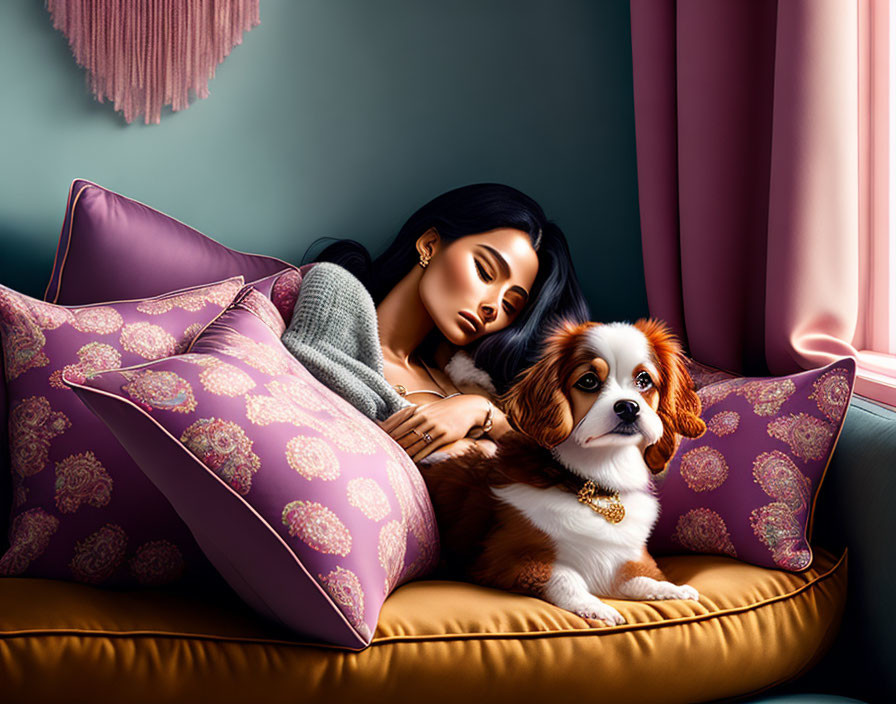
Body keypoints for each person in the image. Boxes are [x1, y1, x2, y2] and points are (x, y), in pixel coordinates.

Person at [297, 182, 590, 464]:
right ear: (429, 244)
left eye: (509, 305)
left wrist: (480, 410)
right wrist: (473, 448)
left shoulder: (467, 387)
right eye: (485, 272)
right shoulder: (335, 289)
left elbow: (540, 471)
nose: (492, 307)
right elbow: (316, 392)